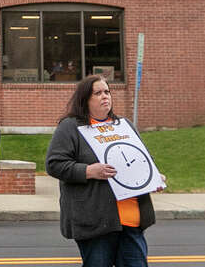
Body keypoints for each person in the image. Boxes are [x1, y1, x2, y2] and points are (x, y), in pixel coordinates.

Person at [46, 75, 164, 267]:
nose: (105, 96)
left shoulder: (124, 126)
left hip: (131, 220)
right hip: (96, 222)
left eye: (107, 92)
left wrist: (153, 177)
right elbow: (54, 164)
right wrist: (89, 171)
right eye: (98, 93)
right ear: (85, 99)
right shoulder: (71, 127)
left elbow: (142, 160)